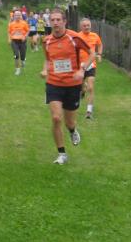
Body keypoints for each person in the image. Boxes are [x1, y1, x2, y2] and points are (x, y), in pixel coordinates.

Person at [41, 9, 96, 164]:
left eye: (58, 20)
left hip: (73, 85)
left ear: (64, 21)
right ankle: (62, 153)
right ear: (49, 22)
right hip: (54, 83)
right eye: (53, 20)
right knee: (56, 117)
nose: (55, 23)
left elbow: (92, 53)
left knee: (69, 122)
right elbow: (47, 59)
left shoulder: (75, 38)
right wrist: (45, 70)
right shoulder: (46, 41)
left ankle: (72, 130)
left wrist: (82, 70)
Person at [78, 18, 103, 119]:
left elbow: (100, 45)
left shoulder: (95, 36)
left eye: (88, 25)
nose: (87, 27)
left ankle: (89, 111)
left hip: (91, 65)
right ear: (81, 27)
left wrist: (99, 54)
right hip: (80, 66)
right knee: (81, 87)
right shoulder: (77, 36)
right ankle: (82, 90)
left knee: (91, 87)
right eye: (84, 26)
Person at [7, 9, 30, 75]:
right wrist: (9, 39)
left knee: (23, 55)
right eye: (16, 15)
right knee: (16, 55)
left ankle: (23, 61)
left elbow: (28, 31)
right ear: (14, 16)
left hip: (22, 41)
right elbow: (9, 32)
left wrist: (25, 36)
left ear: (21, 16)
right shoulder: (11, 24)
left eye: (19, 15)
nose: (17, 16)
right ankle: (17, 69)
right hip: (14, 41)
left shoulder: (24, 23)